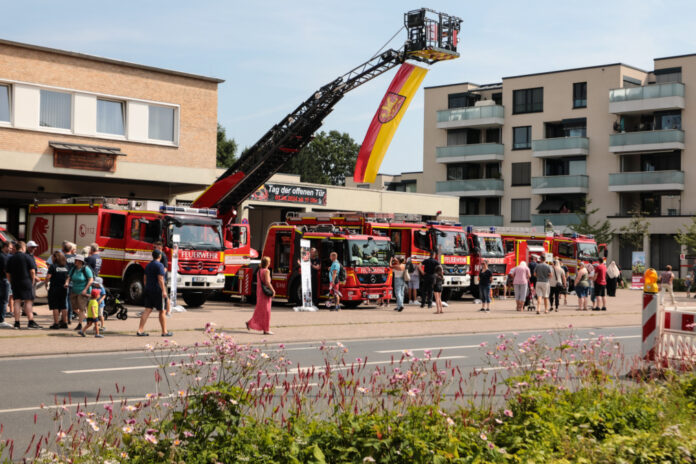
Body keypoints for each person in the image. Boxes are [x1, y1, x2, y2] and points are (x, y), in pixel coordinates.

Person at [137, 250, 172, 337]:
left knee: (147, 310)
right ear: (159, 256)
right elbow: (160, 278)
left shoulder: (148, 265)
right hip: (157, 290)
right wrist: (163, 290)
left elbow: (145, 277)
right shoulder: (160, 265)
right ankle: (164, 332)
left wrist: (146, 287)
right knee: (162, 311)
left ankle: (140, 330)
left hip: (149, 289)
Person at [6, 241, 41, 329]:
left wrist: (10, 281)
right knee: (28, 301)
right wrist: (32, 280)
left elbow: (7, 272)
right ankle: (30, 322)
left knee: (17, 302)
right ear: (23, 247)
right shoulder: (27, 257)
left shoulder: (11, 258)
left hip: (15, 282)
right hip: (26, 281)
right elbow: (32, 271)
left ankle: (17, 323)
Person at [246, 256, 275, 334]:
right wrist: (273, 290)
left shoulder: (259, 271)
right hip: (265, 293)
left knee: (260, 310)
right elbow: (267, 282)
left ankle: (250, 323)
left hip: (259, 292)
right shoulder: (267, 271)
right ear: (267, 263)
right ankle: (266, 329)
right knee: (266, 311)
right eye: (269, 262)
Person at [65, 255, 93, 332]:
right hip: (74, 290)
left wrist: (85, 289)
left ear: (81, 262)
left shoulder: (86, 269)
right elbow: (69, 277)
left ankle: (80, 325)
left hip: (83, 291)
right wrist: (67, 282)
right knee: (74, 308)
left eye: (77, 260)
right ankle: (88, 317)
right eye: (75, 260)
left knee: (81, 309)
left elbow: (91, 280)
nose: (75, 262)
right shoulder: (73, 269)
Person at [46, 251, 69, 329]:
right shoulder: (66, 266)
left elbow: (48, 276)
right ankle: (65, 323)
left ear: (55, 258)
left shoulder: (53, 266)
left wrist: (45, 283)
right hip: (64, 288)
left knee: (55, 306)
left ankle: (56, 323)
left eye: (52, 257)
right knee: (63, 306)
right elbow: (68, 277)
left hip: (54, 288)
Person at [153, 241, 171, 315]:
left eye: (155, 247)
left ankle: (168, 311)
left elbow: (166, 267)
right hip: (158, 278)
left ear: (160, 247)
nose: (154, 249)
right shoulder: (157, 255)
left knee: (165, 295)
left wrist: (161, 275)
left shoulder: (163, 256)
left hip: (163, 279)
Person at [0, 241, 12, 328]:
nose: (11, 249)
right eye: (10, 247)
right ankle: (1, 320)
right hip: (3, 280)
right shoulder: (3, 257)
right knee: (4, 301)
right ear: (5, 247)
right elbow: (6, 270)